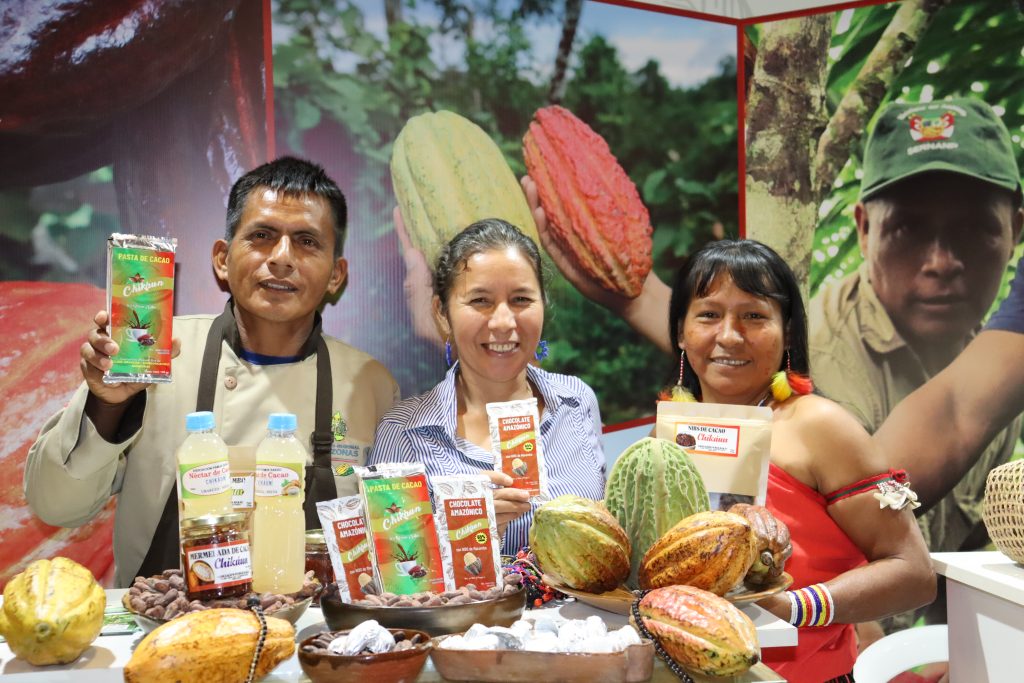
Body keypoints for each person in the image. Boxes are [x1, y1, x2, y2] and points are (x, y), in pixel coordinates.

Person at [24, 156, 399, 587]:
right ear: (222, 259)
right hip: (164, 632)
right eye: (261, 236)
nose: (281, 258)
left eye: (307, 242)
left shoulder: (370, 385)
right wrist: (107, 407)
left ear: (336, 275)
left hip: (313, 640)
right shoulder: (153, 359)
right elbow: (56, 506)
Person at [667, 239, 935, 683]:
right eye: (709, 314)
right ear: (681, 331)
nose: (729, 335)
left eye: (754, 315)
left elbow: (914, 572)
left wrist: (793, 608)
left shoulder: (819, 425)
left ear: (787, 331)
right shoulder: (674, 432)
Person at [807, 98, 1023, 634]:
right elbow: (813, 566)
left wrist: (964, 646)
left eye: (974, 229)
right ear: (863, 231)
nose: (941, 262)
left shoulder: (998, 355)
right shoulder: (816, 368)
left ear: (1016, 229)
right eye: (907, 230)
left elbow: (973, 546)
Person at [370, 218, 606, 554]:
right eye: (480, 301)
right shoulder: (404, 432)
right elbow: (390, 572)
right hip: (465, 608)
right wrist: (462, 531)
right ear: (441, 312)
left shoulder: (576, 402)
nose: (504, 322)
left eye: (521, 299)